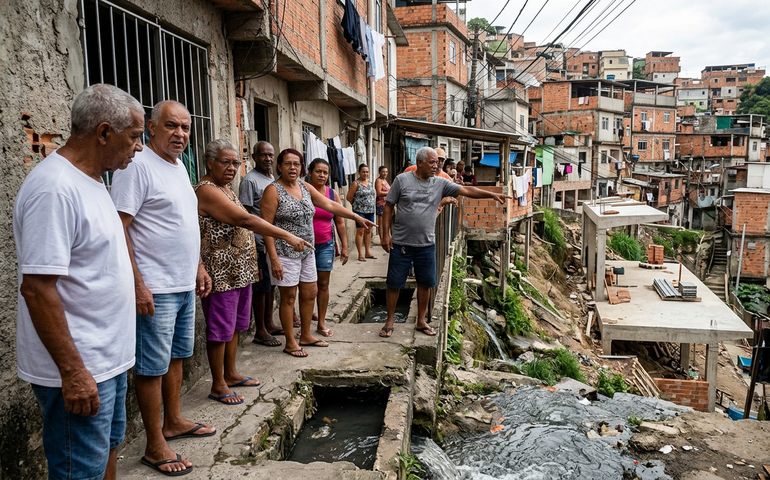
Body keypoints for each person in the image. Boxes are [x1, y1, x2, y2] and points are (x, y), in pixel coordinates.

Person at [14, 84, 143, 480]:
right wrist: (73, 373)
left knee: (106, 453)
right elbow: (37, 288)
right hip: (81, 367)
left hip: (108, 361)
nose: (139, 148)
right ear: (104, 132)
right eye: (134, 137)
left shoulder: (95, 180)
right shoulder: (55, 188)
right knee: (79, 470)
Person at [110, 100, 213, 476]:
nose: (180, 134)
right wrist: (138, 284)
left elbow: (183, 222)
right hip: (155, 287)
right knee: (152, 367)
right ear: (151, 127)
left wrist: (198, 266)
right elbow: (119, 227)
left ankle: (174, 421)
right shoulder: (136, 166)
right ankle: (155, 444)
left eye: (185, 127)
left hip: (182, 283)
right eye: (171, 126)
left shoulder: (178, 166)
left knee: (177, 357)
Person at [195, 139, 312, 406]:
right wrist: (286, 235)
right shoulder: (207, 190)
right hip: (221, 273)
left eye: (236, 163)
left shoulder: (225, 188)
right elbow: (245, 219)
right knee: (220, 329)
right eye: (225, 162)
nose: (232, 168)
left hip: (239, 271)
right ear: (210, 162)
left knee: (235, 326)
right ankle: (218, 384)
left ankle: (231, 373)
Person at [379, 146, 510, 338]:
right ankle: (390, 320)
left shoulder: (440, 183)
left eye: (437, 162)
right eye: (432, 162)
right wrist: (385, 235)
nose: (436, 165)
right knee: (394, 283)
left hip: (426, 243)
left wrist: (491, 195)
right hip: (401, 243)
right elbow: (388, 206)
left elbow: (466, 189)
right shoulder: (402, 180)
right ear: (420, 162)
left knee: (425, 283)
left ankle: (421, 320)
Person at [261, 149, 375, 357]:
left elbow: (329, 204)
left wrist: (356, 217)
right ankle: (291, 343)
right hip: (284, 252)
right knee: (289, 297)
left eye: (296, 164)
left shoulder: (304, 187)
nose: (293, 168)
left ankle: (306, 335)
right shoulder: (273, 190)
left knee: (310, 293)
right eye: (288, 164)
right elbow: (266, 227)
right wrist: (274, 259)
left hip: (308, 251)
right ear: (279, 167)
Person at [239, 141, 285, 347]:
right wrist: (253, 244)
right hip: (258, 244)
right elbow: (246, 215)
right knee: (260, 288)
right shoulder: (250, 181)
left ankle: (269, 323)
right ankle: (260, 330)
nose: (268, 159)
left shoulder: (271, 178)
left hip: (271, 243)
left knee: (270, 287)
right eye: (263, 155)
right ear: (254, 157)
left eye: (270, 155)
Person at [309, 158, 350, 338]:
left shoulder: (331, 194)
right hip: (305, 246)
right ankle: (305, 318)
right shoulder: (302, 191)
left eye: (325, 172)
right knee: (307, 286)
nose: (322, 175)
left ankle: (321, 322)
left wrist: (345, 246)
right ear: (310, 172)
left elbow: (339, 222)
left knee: (323, 284)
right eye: (318, 171)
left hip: (325, 245)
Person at [346, 163, 377, 262]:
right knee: (360, 231)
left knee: (368, 230)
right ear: (359, 172)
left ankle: (368, 252)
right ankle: (360, 254)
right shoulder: (356, 183)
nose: (365, 174)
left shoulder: (370, 183)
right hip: (360, 211)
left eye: (367, 172)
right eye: (363, 172)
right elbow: (349, 197)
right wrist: (357, 205)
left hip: (370, 210)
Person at [374, 165, 390, 235]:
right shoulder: (379, 180)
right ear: (379, 172)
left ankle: (385, 236)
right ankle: (381, 238)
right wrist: (390, 193)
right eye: (383, 172)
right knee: (381, 222)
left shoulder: (385, 180)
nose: (385, 173)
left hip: (386, 204)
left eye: (386, 172)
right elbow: (379, 193)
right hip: (381, 204)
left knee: (385, 222)